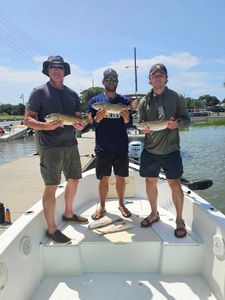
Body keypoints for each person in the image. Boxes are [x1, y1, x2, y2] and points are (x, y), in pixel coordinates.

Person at [24, 55, 88, 244]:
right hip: (50, 147)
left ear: (65, 71)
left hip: (71, 144)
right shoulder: (39, 92)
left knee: (74, 180)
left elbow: (78, 119)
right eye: (53, 67)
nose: (57, 70)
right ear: (48, 70)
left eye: (60, 67)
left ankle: (68, 213)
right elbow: (28, 119)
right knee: (51, 186)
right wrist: (45, 127)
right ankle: (52, 228)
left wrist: (80, 126)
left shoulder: (73, 94)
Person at [138, 63, 190, 238]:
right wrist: (143, 129)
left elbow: (187, 120)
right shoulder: (144, 102)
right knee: (149, 182)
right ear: (150, 79)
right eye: (154, 75)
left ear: (166, 78)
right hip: (150, 150)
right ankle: (154, 213)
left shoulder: (176, 97)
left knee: (174, 183)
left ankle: (180, 219)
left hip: (171, 149)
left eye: (161, 75)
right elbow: (140, 123)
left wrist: (178, 124)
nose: (158, 78)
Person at [88, 68, 133, 220]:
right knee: (104, 178)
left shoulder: (125, 102)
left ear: (117, 82)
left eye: (114, 79)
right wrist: (97, 120)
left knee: (121, 177)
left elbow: (129, 125)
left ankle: (121, 204)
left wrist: (126, 119)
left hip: (120, 146)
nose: (111, 82)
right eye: (108, 79)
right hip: (103, 147)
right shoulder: (95, 102)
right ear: (103, 82)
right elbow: (91, 125)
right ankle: (102, 206)